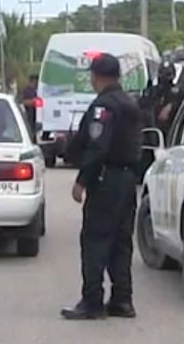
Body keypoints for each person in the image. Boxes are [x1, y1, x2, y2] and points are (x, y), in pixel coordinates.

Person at [61, 53, 142, 320]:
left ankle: (92, 301)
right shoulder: (130, 103)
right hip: (128, 179)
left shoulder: (104, 106)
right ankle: (122, 299)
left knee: (95, 239)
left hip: (106, 180)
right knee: (121, 240)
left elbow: (97, 146)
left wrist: (82, 181)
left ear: (96, 76)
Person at [140, 61, 184, 136]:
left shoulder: (179, 93)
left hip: (172, 134)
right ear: (159, 74)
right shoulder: (150, 92)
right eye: (163, 74)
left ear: (174, 75)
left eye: (168, 74)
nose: (165, 77)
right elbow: (142, 109)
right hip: (152, 134)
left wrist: (171, 106)